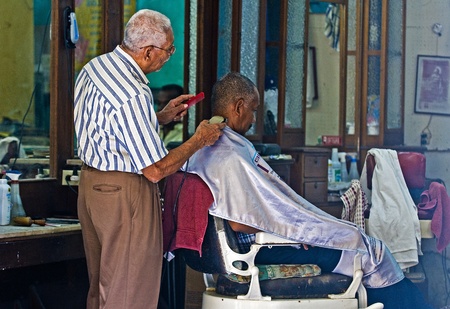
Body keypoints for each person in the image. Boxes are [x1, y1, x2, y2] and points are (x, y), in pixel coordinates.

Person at [185, 72, 434, 309]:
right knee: (361, 250)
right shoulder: (229, 155)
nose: (253, 120)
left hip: (246, 247)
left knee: (357, 245)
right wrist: (294, 233)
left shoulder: (200, 149)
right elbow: (238, 222)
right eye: (253, 111)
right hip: (258, 249)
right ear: (238, 106)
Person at [73, 9, 226, 309]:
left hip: (91, 188)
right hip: (125, 195)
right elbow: (155, 170)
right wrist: (199, 139)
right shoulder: (133, 92)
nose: (169, 56)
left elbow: (112, 128)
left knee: (103, 290)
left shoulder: (94, 69)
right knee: (130, 294)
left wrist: (159, 117)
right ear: (147, 52)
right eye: (168, 51)